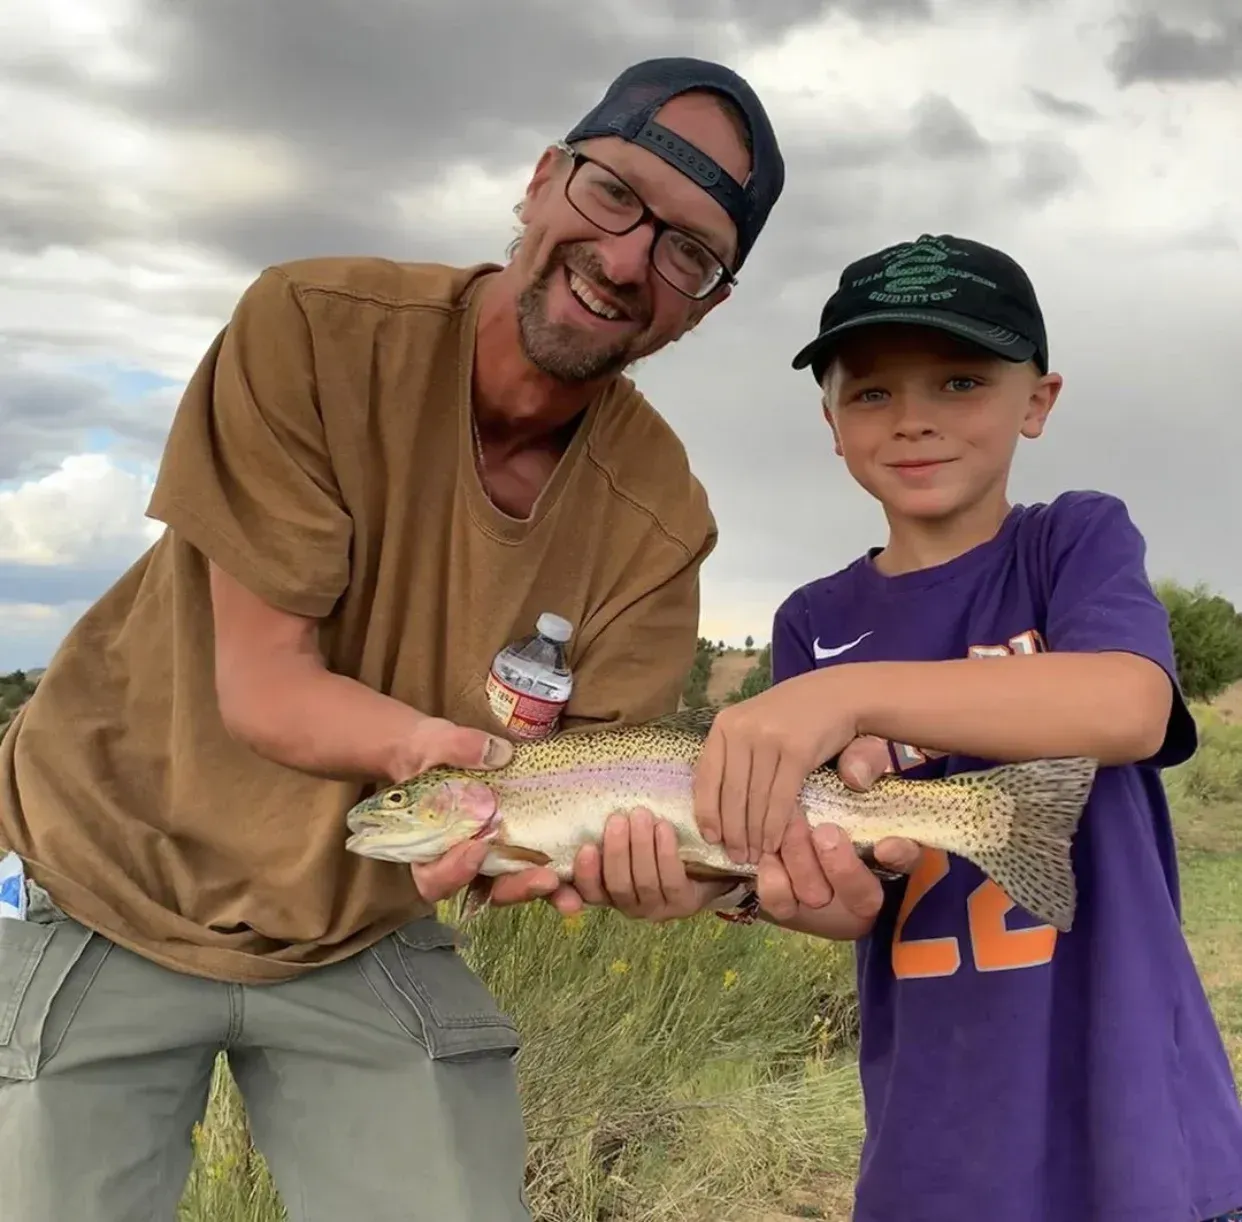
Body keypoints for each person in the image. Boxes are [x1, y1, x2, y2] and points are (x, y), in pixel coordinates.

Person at [0, 58, 786, 1222]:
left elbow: (604, 804)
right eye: (615, 195)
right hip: (93, 870)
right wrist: (451, 761)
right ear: (540, 180)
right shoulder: (311, 326)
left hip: (360, 911)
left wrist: (692, 882)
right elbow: (266, 687)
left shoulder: (662, 516)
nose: (626, 260)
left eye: (687, 251)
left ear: (707, 304)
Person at [689, 232, 1242, 1221]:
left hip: (1140, 1125)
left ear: (1038, 401)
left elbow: (1129, 705)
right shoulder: (813, 624)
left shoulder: (1071, 542)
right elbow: (843, 900)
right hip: (935, 1146)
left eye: (958, 381)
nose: (913, 421)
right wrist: (751, 890)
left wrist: (845, 699)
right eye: (870, 393)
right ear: (830, 421)